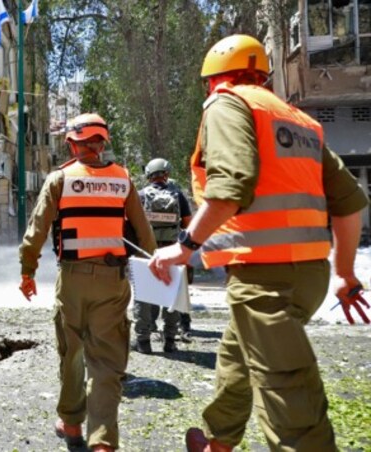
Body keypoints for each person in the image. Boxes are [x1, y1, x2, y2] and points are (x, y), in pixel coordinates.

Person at [148, 34, 369, 452]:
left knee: (292, 402)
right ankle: (219, 440)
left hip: (264, 278)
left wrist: (185, 246)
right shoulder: (297, 120)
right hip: (309, 275)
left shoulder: (227, 103)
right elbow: (350, 202)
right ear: (263, 76)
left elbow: (231, 186)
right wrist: (343, 274)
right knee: (237, 355)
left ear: (213, 80)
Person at [18, 113, 157, 451]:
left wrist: (27, 272)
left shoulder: (60, 179)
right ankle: (103, 442)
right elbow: (145, 237)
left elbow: (35, 233)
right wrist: (156, 271)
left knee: (71, 354)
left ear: (72, 143)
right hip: (113, 282)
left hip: (73, 280)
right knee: (107, 364)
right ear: (102, 143)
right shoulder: (123, 179)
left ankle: (71, 424)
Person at [132, 158, 193, 354]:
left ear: (149, 175)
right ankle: (170, 341)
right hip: (172, 252)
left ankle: (143, 342)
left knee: (143, 296)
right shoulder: (178, 196)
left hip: (146, 251)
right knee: (171, 296)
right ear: (166, 174)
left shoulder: (140, 196)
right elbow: (188, 225)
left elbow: (132, 223)